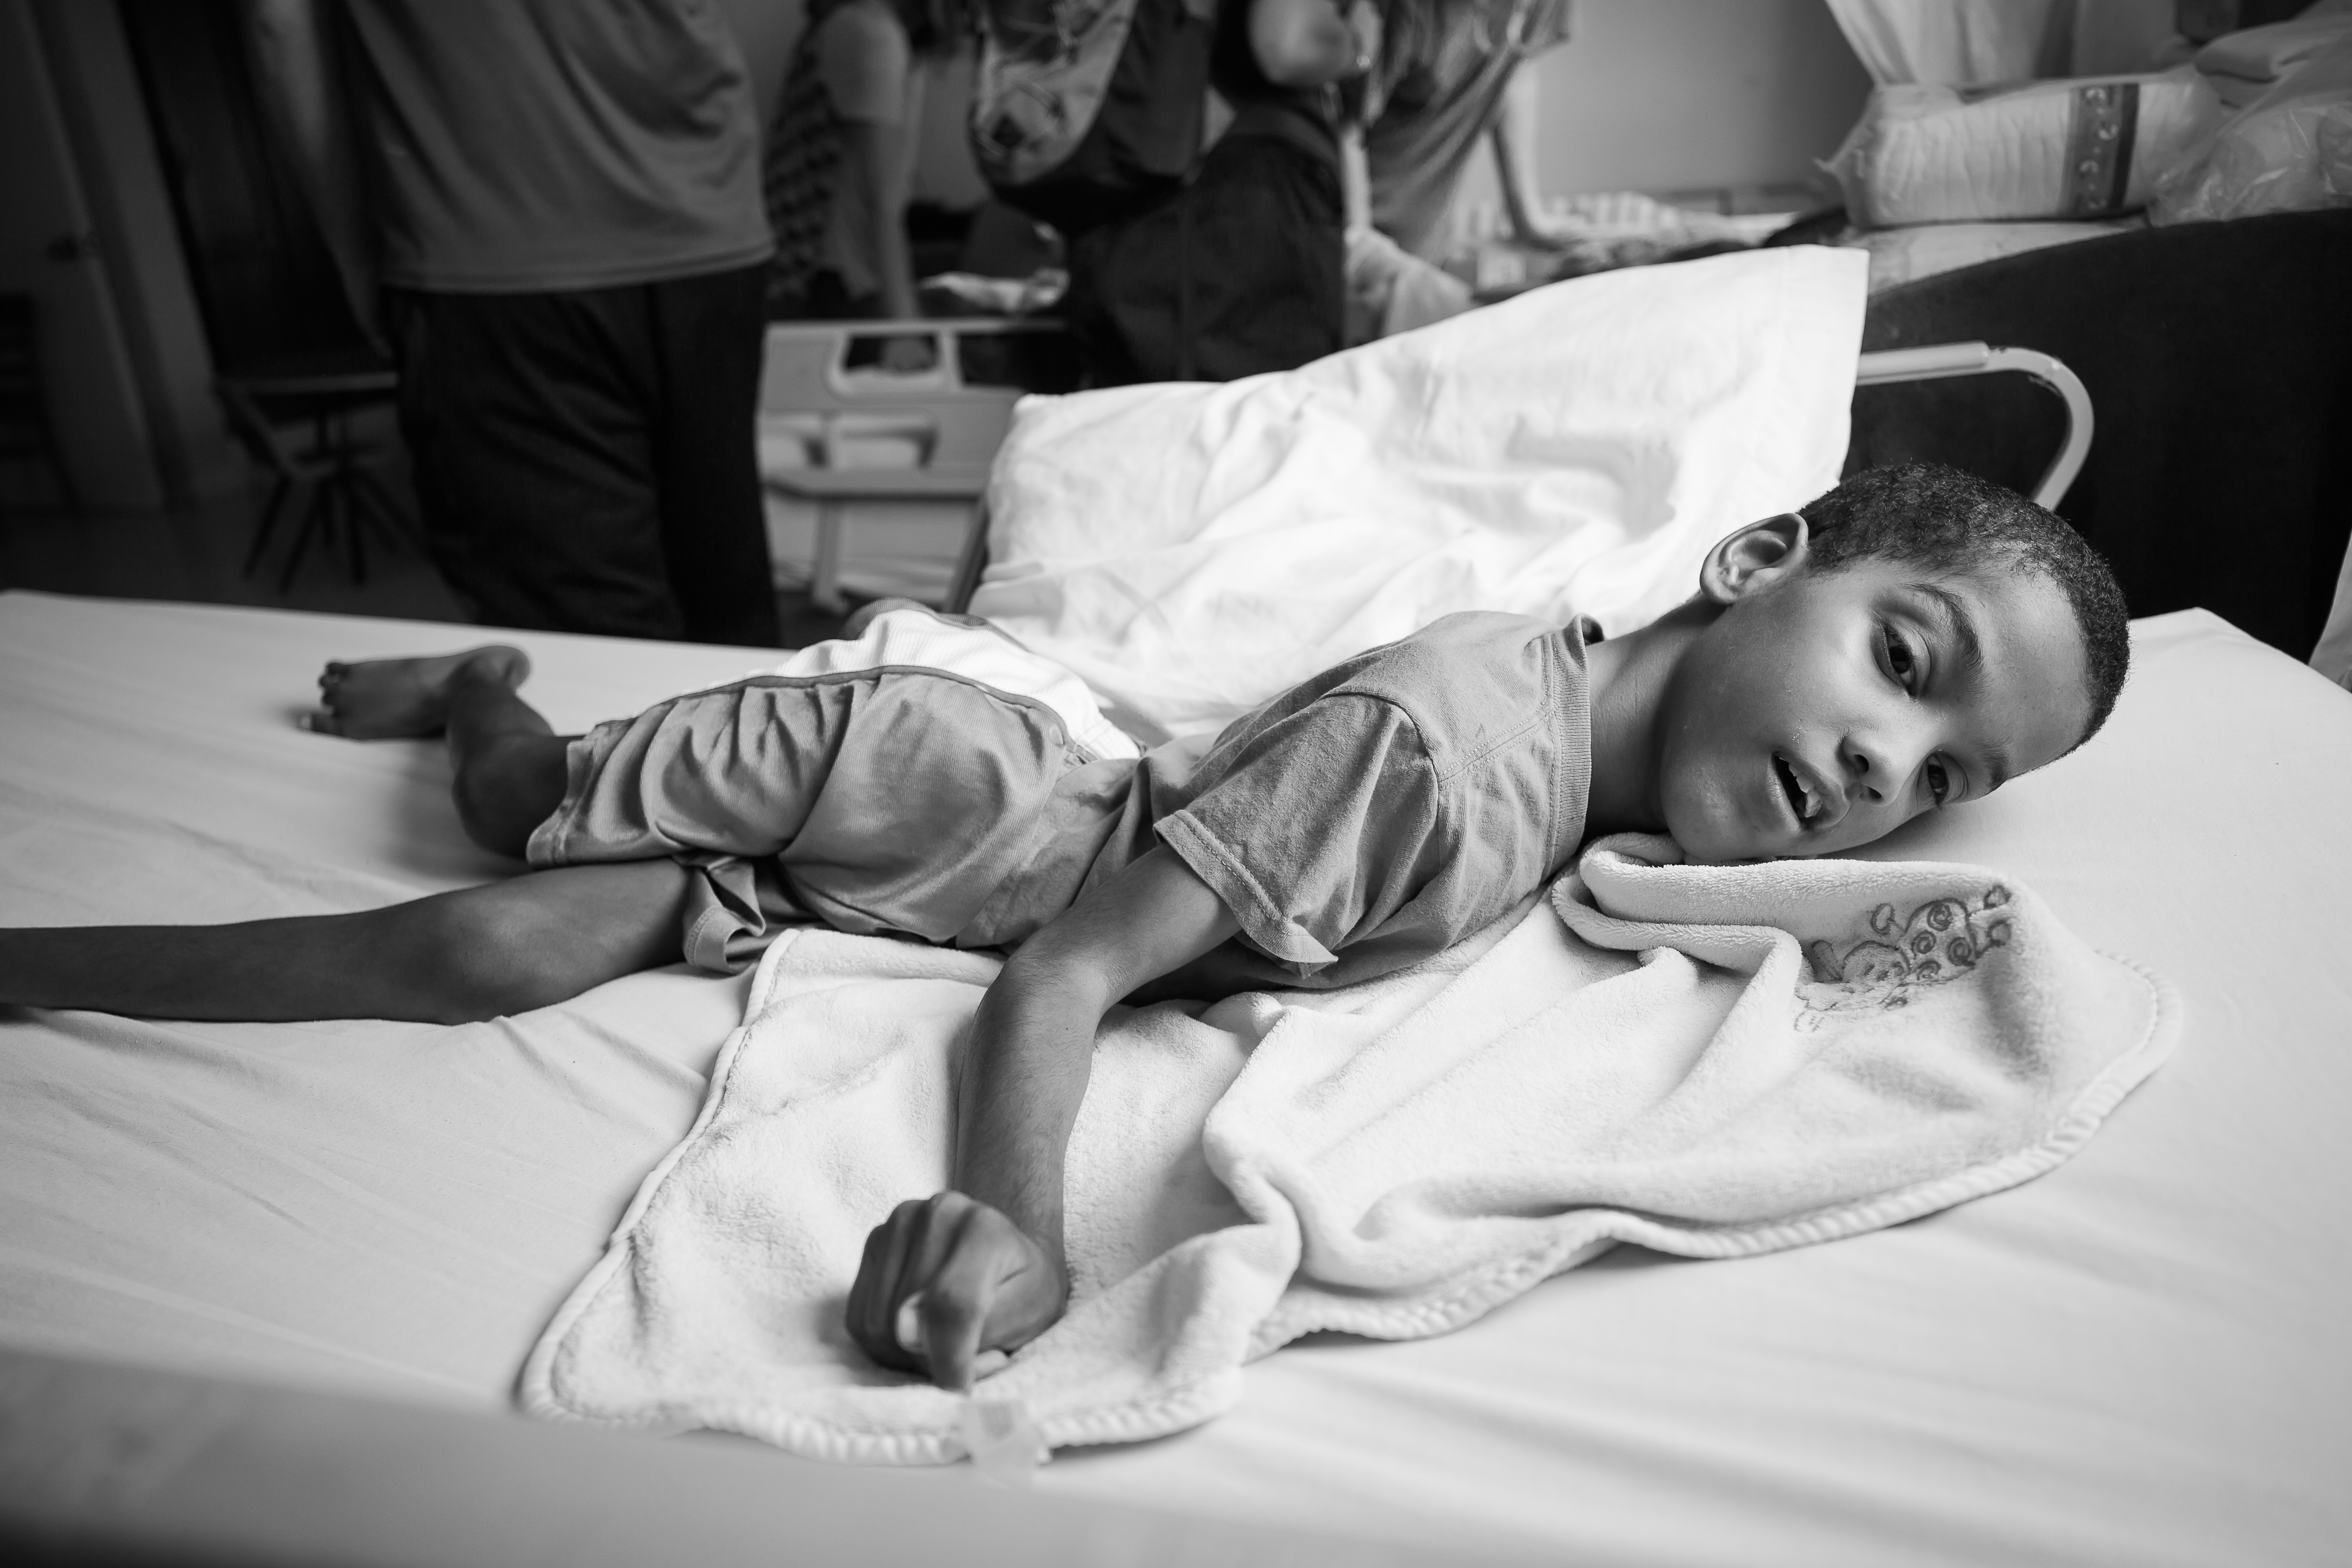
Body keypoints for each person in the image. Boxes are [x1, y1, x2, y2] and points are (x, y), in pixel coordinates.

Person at [0, 464, 2129, 1392]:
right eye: (1906, 663)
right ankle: (470, 684)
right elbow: (1074, 967)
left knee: (497, 960)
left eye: (1947, 778)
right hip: (905, 789)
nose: (1886, 769)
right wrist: (1016, 1223)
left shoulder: (1584, 761)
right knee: (499, 842)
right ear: (1756, 560)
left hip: (924, 878)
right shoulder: (1450, 747)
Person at [254, 0, 780, 645]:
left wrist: (358, 255)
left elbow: (280, 20)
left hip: (493, 236)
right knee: (730, 619)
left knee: (594, 652)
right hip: (708, 213)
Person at [1058, 0, 1369, 383]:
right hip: (1234, 203)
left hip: (1122, 172)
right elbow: (1289, 48)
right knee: (1253, 407)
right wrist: (1358, 48)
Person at [764, 0, 963, 372]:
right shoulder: (871, 34)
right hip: (840, 281)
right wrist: (904, 329)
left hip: (816, 273)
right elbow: (882, 203)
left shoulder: (847, 24)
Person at [1358, 0, 1575, 258]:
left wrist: (1527, 216)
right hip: (1350, 222)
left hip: (1423, 238)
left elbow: (1516, 64)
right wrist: (1361, 244)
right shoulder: (1402, 10)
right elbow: (1348, 126)